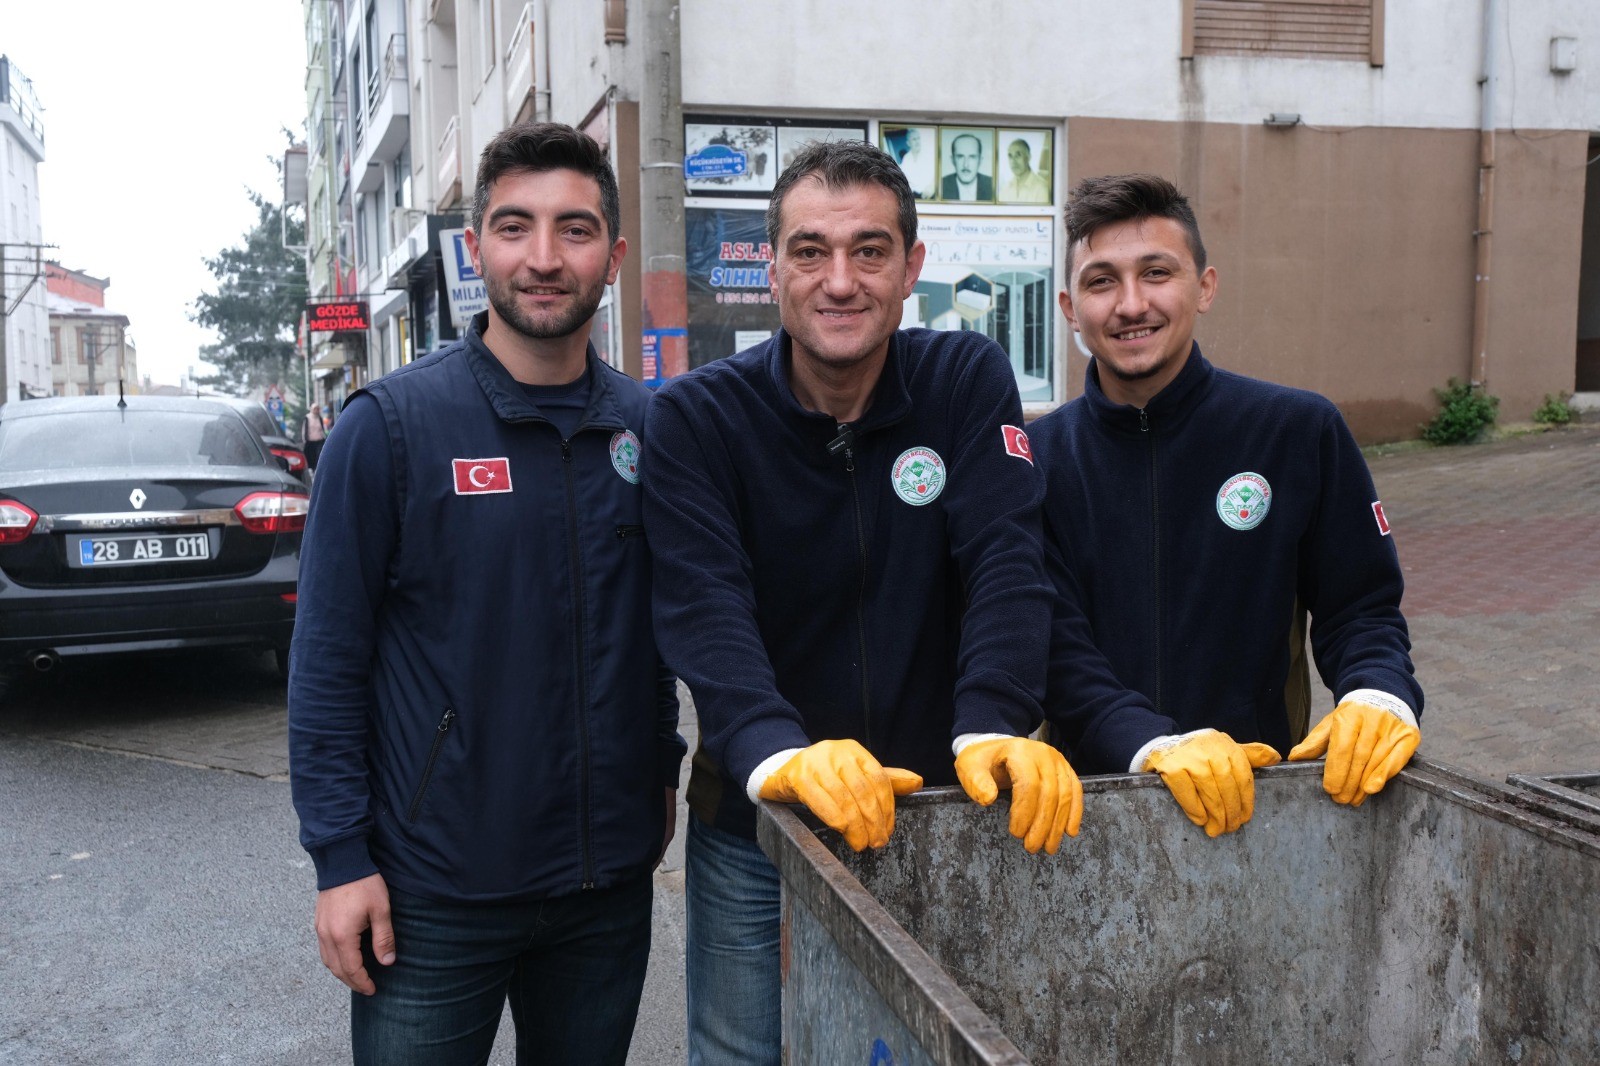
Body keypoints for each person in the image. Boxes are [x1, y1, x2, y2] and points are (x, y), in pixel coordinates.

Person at [643, 139, 1083, 1065]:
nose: (839, 280)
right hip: (759, 830)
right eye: (810, 251)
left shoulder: (965, 380)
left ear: (912, 266)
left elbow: (1005, 555)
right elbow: (704, 606)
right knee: (743, 1056)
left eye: (869, 251)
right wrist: (778, 754)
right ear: (772, 269)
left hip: (937, 812)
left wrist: (995, 722)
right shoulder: (696, 418)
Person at [287, 123, 684, 1066]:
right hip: (432, 895)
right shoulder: (388, 430)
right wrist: (340, 858)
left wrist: (660, 764)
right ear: (477, 249)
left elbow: (661, 629)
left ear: (614, 256)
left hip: (604, 890)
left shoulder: (654, 429)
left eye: (575, 230)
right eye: (515, 227)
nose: (544, 258)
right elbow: (328, 662)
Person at [1032, 173, 1423, 836]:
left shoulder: (1297, 431)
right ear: (1071, 308)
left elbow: (1360, 609)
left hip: (1260, 806)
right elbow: (1051, 649)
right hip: (1084, 816)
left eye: (1157, 272)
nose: (1131, 304)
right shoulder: (1033, 461)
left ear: (1204, 286)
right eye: (1102, 282)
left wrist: (1379, 694)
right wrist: (1150, 744)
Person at [940, 132, 994, 201]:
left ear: (980, 160)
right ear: (952, 160)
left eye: (972, 157)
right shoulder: (940, 186)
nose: (966, 165)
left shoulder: (994, 186)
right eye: (960, 157)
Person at [998, 137, 1050, 204]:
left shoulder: (1042, 188)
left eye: (1018, 155)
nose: (1013, 161)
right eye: (1010, 156)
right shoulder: (1005, 188)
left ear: (1028, 157)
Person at [895, 126, 936, 199]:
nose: (917, 141)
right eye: (914, 139)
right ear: (908, 143)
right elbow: (904, 178)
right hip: (913, 196)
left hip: (930, 194)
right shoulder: (906, 158)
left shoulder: (929, 155)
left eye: (918, 138)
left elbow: (936, 175)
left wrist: (932, 187)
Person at [301, 401, 326, 470]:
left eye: (318, 409)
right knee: (310, 457)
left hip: (319, 440)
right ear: (312, 409)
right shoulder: (307, 418)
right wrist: (304, 440)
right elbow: (304, 430)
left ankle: (318, 469)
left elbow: (322, 429)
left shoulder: (320, 418)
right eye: (315, 409)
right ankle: (312, 469)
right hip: (310, 441)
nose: (316, 410)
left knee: (319, 455)